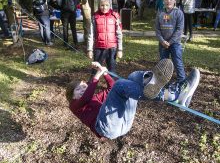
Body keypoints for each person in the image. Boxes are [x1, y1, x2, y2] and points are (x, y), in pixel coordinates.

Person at [66, 59, 200, 140]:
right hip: (106, 128)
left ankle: (160, 88)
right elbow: (86, 97)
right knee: (120, 85)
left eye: (84, 86)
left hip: (124, 123)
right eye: (78, 89)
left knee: (131, 77)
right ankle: (173, 93)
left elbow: (111, 87)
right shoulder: (74, 106)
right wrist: (97, 76)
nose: (83, 89)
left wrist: (105, 73)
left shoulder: (96, 98)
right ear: (71, 96)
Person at [155, 0, 186, 87]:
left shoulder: (179, 13)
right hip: (163, 43)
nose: (168, 1)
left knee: (177, 61)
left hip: (175, 43)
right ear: (163, 0)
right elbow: (157, 29)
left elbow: (179, 30)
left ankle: (182, 81)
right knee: (163, 62)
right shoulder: (160, 13)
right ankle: (163, 82)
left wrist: (171, 42)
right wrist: (162, 41)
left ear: (174, 0)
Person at [87, 0, 123, 76]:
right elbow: (90, 34)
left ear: (110, 5)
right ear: (99, 5)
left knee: (112, 70)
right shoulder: (95, 17)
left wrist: (120, 50)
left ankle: (112, 87)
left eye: (107, 5)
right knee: (95, 70)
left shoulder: (115, 16)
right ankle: (91, 86)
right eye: (102, 5)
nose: (104, 7)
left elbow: (119, 34)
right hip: (99, 48)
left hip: (112, 48)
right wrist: (89, 50)